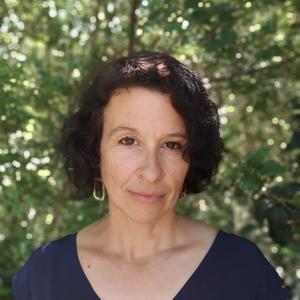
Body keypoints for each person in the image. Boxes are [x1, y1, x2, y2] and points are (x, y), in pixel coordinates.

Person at [12, 51, 292, 300]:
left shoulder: (242, 271)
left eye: (171, 145)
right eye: (128, 141)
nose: (151, 171)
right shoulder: (44, 276)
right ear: (95, 149)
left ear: (192, 157)